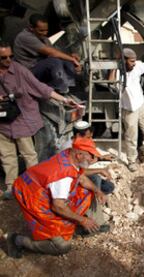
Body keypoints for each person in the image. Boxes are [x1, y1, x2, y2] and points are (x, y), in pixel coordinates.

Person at [0, 42, 79, 200]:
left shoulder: (19, 71)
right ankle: (11, 186)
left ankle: (33, 186)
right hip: (2, 123)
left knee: (29, 154)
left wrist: (63, 99)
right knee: (6, 155)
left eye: (11, 56)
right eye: (4, 58)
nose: (8, 60)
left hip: (21, 119)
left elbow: (41, 88)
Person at [7, 137, 108, 258]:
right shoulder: (62, 178)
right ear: (79, 155)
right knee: (62, 246)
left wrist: (98, 191)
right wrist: (83, 220)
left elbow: (80, 177)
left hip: (39, 186)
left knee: (87, 192)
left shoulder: (69, 155)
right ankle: (17, 240)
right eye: (91, 156)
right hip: (31, 194)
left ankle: (92, 225)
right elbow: (57, 206)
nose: (94, 160)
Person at [13, 14, 81, 93]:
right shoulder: (25, 37)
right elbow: (51, 53)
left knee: (65, 60)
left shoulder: (43, 38)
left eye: (46, 30)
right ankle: (57, 87)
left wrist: (71, 58)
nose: (45, 33)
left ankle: (69, 85)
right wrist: (71, 59)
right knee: (54, 62)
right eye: (41, 30)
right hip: (28, 71)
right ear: (31, 28)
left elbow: (55, 52)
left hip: (40, 67)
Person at [59, 121, 115, 195]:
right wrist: (99, 170)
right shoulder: (69, 149)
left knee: (109, 187)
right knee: (96, 179)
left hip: (79, 174)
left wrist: (102, 158)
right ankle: (93, 202)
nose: (90, 140)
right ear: (78, 135)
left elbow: (84, 164)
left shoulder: (80, 145)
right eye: (88, 137)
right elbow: (78, 173)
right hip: (70, 179)